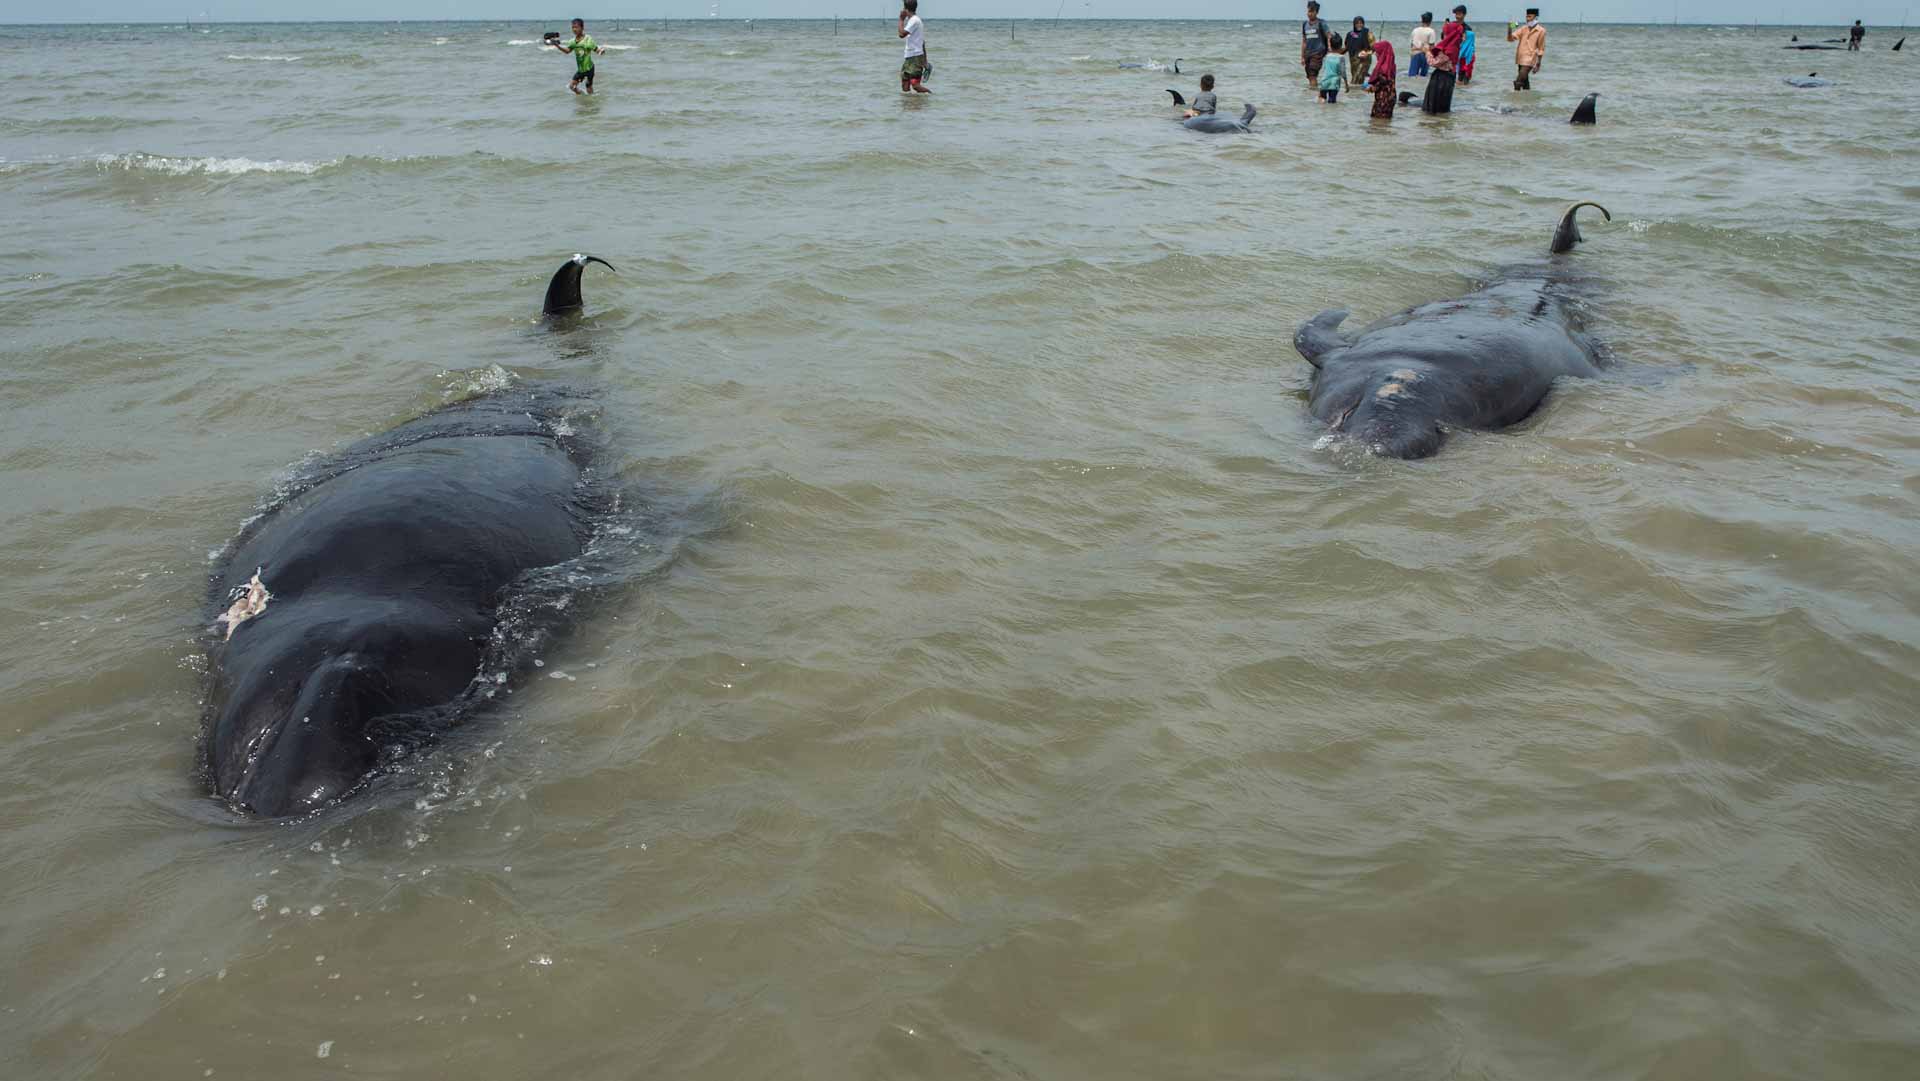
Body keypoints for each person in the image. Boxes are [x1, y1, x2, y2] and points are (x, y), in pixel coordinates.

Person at [552, 18, 602, 95]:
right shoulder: (572, 41)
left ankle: (591, 101)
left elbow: (596, 49)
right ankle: (582, 96)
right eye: (573, 27)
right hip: (581, 70)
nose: (574, 29)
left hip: (589, 69)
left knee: (588, 87)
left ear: (582, 28)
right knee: (572, 86)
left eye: (576, 27)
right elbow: (567, 51)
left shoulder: (588, 39)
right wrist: (557, 45)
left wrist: (601, 51)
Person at [1422, 21, 1458, 113]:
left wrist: (1427, 52)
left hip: (1441, 79)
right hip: (1449, 78)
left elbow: (1434, 63)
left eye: (1446, 33)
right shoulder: (1455, 45)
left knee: (1434, 106)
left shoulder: (1449, 49)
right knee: (1443, 106)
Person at [1508, 9, 1545, 89]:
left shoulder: (1541, 31)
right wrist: (1509, 29)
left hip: (1530, 59)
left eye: (1529, 16)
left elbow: (1541, 48)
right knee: (1525, 82)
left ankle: (1515, 99)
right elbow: (1510, 39)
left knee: (1518, 81)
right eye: (1526, 17)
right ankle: (1528, 99)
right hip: (1520, 58)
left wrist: (1538, 64)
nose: (1527, 19)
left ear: (1536, 17)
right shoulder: (1523, 28)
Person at [899, 1, 930, 94]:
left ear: (906, 9)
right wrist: (925, 61)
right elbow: (922, 42)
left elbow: (901, 34)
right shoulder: (912, 21)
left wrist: (901, 19)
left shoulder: (914, 20)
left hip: (915, 57)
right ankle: (909, 105)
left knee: (915, 85)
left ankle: (931, 96)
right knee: (905, 85)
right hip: (909, 57)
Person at [1302, 2, 1331, 89]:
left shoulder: (1321, 23)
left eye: (1312, 11)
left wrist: (1329, 49)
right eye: (1308, 11)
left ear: (1316, 12)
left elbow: (1328, 35)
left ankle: (1313, 93)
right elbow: (1304, 41)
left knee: (1313, 74)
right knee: (1310, 76)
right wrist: (1302, 57)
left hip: (1318, 53)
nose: (1309, 13)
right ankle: (1314, 92)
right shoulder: (1305, 24)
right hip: (1308, 53)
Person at [1369, 38, 1398, 118]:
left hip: (1383, 99)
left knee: (1377, 123)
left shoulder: (1382, 68)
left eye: (1377, 52)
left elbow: (1380, 83)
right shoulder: (1391, 65)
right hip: (1391, 97)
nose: (1376, 54)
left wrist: (1370, 88)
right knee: (1385, 124)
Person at [1346, 17, 1375, 89]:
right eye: (1357, 23)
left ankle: (1356, 95)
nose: (1359, 25)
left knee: (1357, 79)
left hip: (1364, 60)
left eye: (1361, 23)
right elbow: (1347, 46)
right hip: (1353, 60)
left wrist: (1367, 53)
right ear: (1354, 24)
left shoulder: (1368, 33)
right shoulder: (1350, 34)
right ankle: (1356, 96)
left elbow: (1374, 48)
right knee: (1354, 77)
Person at [1319, 35, 1346, 102]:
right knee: (1332, 100)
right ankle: (1331, 112)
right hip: (1334, 83)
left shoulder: (1326, 56)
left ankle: (1321, 111)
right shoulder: (1341, 58)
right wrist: (1346, 84)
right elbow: (1343, 72)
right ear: (1340, 46)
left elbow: (1324, 69)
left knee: (1322, 98)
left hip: (1324, 81)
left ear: (1330, 45)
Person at [1458, 20, 1477, 84]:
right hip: (1465, 57)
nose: (1463, 37)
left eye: (1464, 35)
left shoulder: (1465, 48)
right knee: (1463, 75)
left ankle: (1462, 89)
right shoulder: (1462, 46)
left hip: (1465, 57)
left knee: (1464, 75)